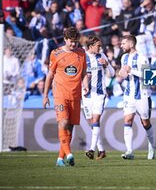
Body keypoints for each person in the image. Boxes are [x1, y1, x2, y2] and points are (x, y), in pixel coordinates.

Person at [42, 27, 88, 167]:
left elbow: (84, 72)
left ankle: (60, 159)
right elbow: (50, 75)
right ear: (65, 39)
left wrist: (86, 85)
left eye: (76, 42)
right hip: (60, 94)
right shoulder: (56, 53)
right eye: (71, 42)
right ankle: (69, 154)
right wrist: (45, 95)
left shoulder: (81, 53)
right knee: (63, 122)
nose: (74, 44)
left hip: (75, 95)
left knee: (70, 127)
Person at [118, 35, 156, 160]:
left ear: (131, 44)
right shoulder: (123, 57)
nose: (121, 46)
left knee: (145, 123)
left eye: (123, 43)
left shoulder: (142, 58)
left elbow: (151, 78)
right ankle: (129, 151)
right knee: (127, 120)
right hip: (129, 95)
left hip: (142, 96)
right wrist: (121, 73)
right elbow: (124, 74)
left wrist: (131, 71)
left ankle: (151, 147)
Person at [83, 36, 115, 160]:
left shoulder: (101, 55)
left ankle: (91, 149)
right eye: (98, 45)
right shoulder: (82, 56)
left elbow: (112, 74)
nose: (100, 48)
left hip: (99, 94)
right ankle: (101, 151)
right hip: (86, 95)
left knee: (96, 120)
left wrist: (106, 64)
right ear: (91, 46)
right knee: (92, 123)